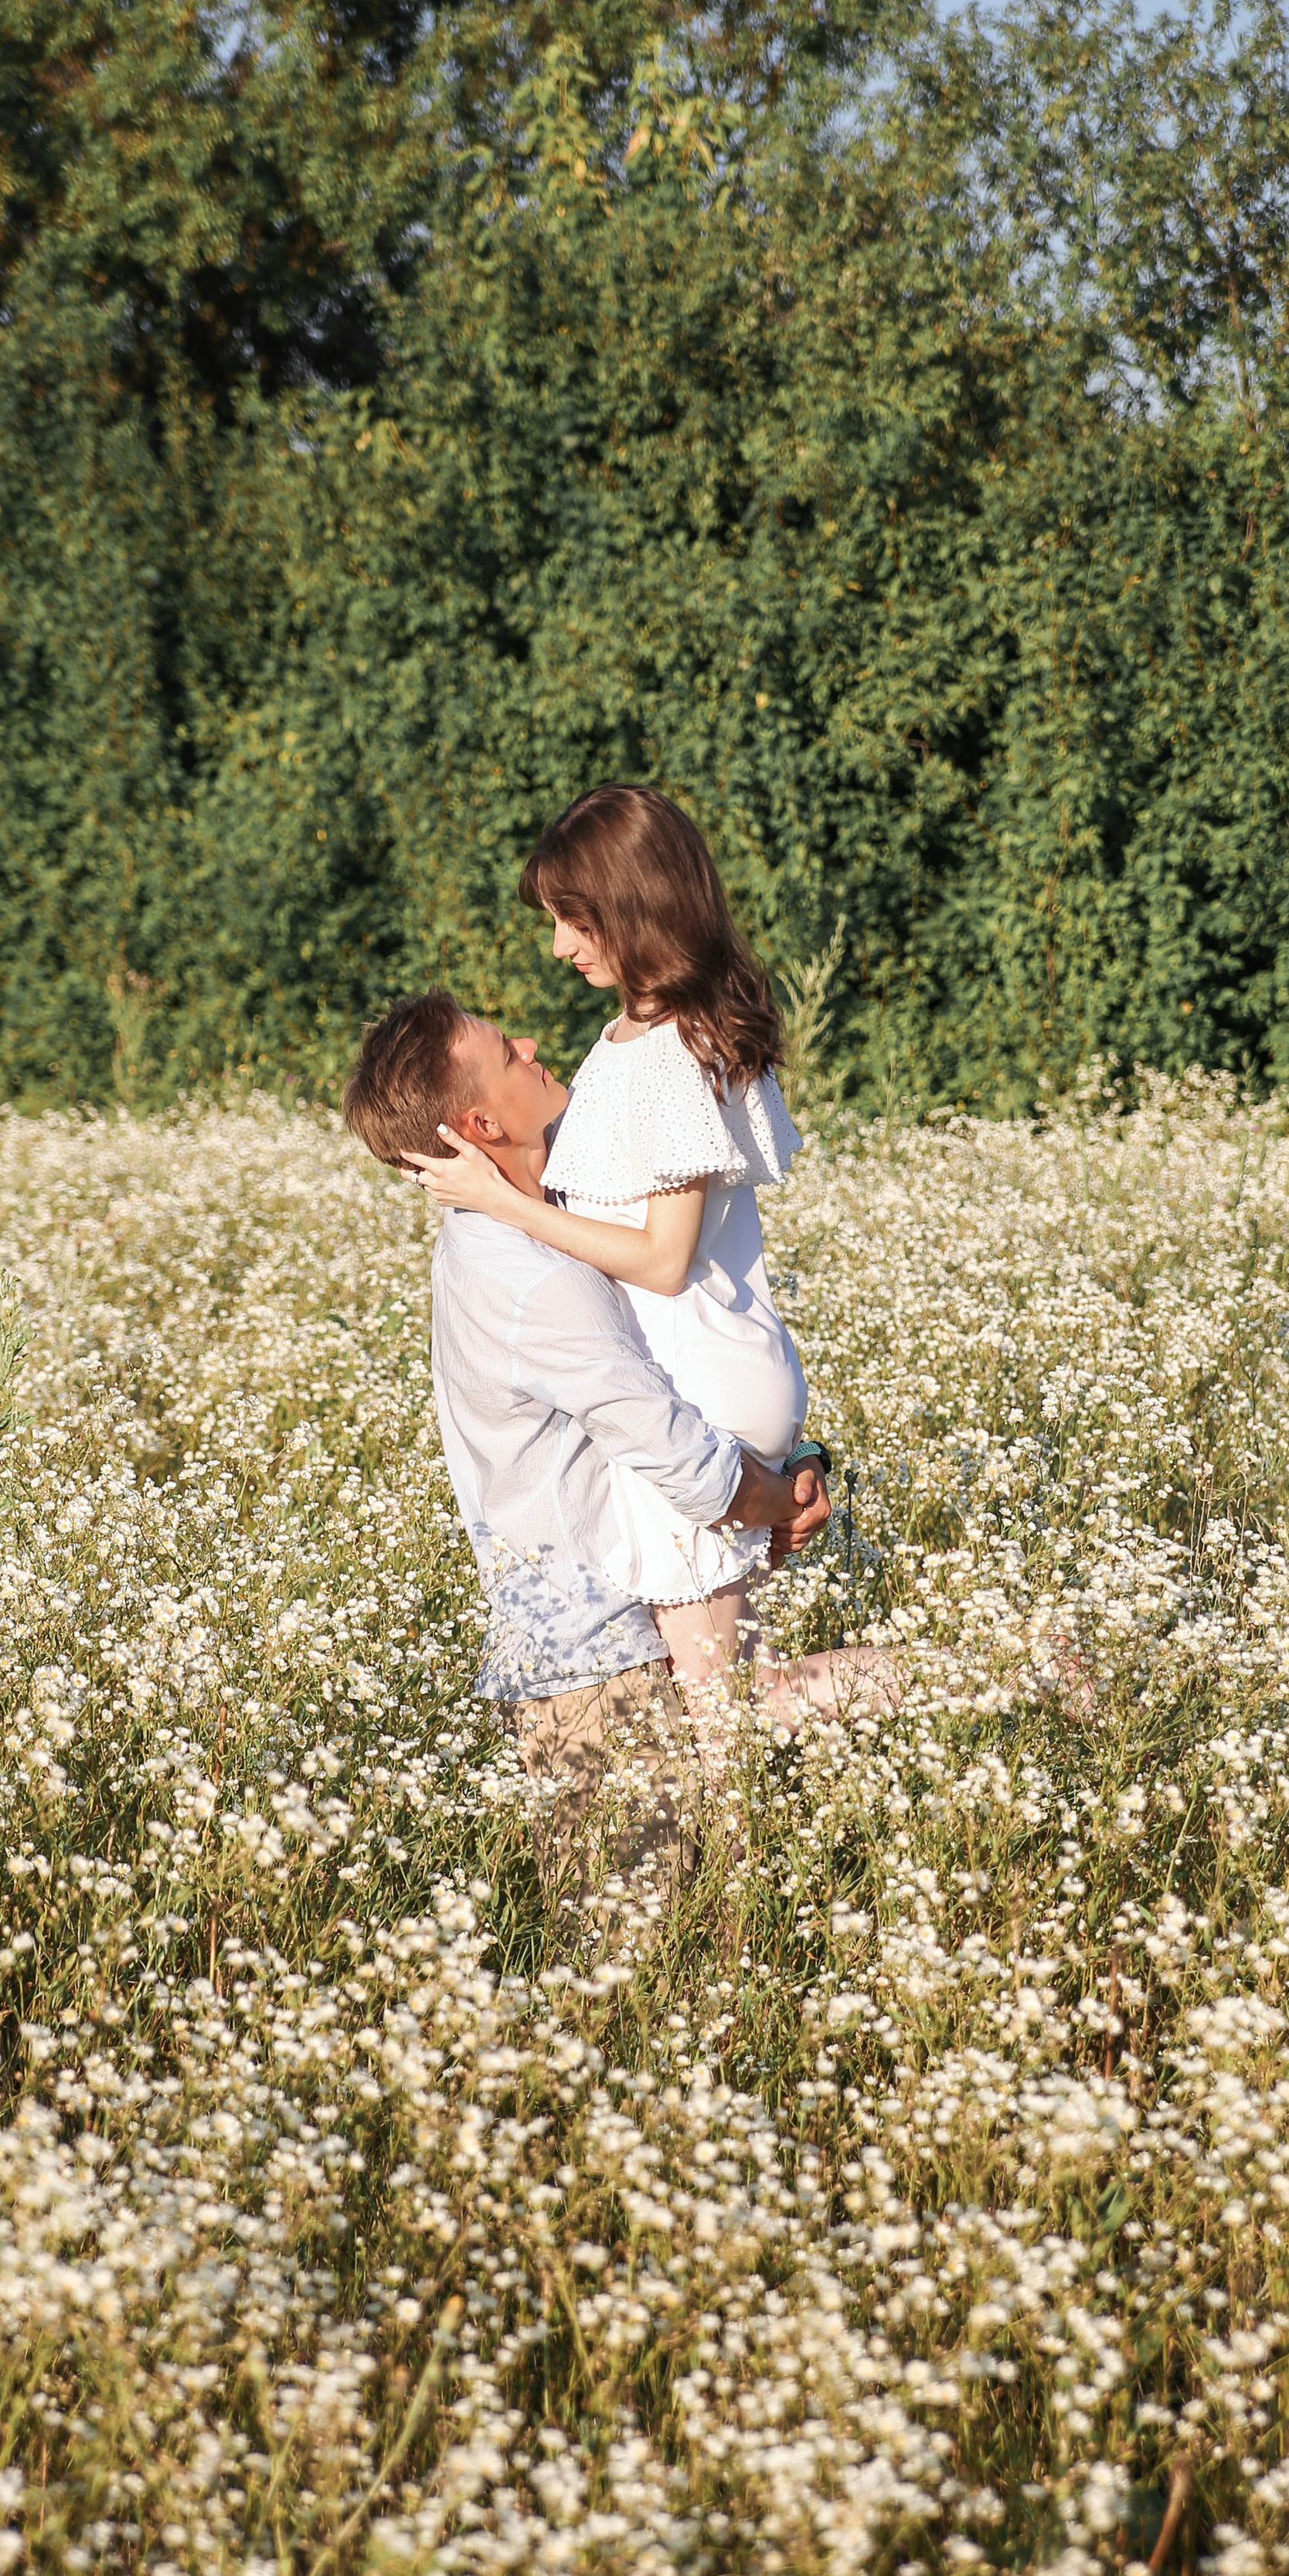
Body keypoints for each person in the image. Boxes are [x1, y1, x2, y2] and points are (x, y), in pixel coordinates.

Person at [342, 988, 870, 1888]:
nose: (533, 1041)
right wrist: (779, 1496)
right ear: (477, 1122)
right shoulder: (524, 1272)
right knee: (636, 1970)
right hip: (596, 1677)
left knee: (710, 1939)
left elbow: (687, 1365)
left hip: (635, 1629)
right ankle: (999, 1671)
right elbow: (676, 1452)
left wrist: (801, 1460)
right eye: (505, 1051)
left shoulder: (556, 1217)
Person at [404, 784, 894, 1723]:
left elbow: (662, 1260)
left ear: (630, 908)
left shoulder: (664, 1052)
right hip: (717, 1368)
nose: (557, 945)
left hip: (698, 1385)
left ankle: (1008, 1665)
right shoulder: (656, 1035)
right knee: (725, 1706)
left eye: (570, 918)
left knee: (735, 1706)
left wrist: (502, 1201)